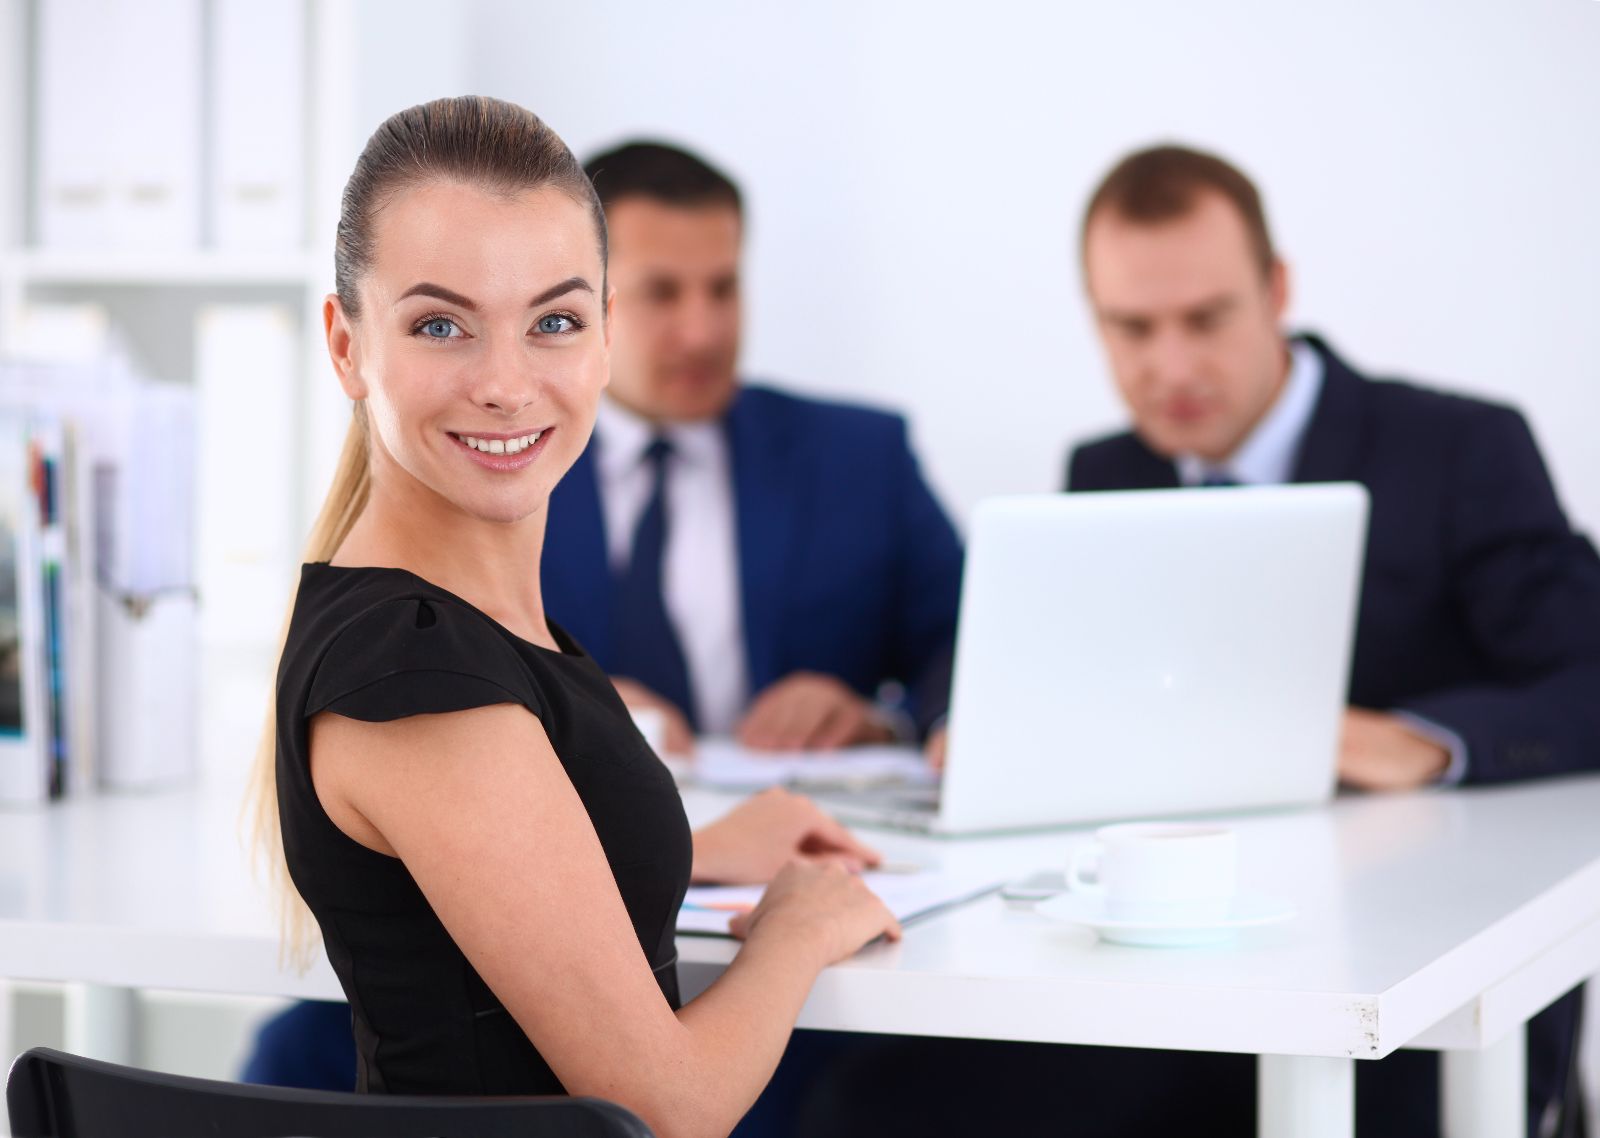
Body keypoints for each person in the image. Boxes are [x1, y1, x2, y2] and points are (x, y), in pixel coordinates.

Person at [242, 96, 904, 1138]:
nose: (507, 384)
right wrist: (797, 925)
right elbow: (667, 1109)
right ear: (345, 346)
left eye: (553, 320)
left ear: (605, 335)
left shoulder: (455, 623)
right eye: (439, 325)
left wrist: (693, 841)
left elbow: (502, 858)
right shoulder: (420, 680)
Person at [1063, 144, 1600, 1137]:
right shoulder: (1102, 471)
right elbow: (1029, 650)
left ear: (1276, 289)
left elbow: (1590, 674)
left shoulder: (1458, 448)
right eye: (1130, 327)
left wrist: (1423, 740)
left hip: (1422, 978)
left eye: (1206, 318)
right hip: (1176, 980)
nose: (1169, 366)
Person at [542, 141, 963, 756]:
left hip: (824, 830)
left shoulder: (861, 457)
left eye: (723, 288)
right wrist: (555, 703)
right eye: (661, 293)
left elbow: (968, 638)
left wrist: (883, 719)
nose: (704, 331)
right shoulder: (498, 468)